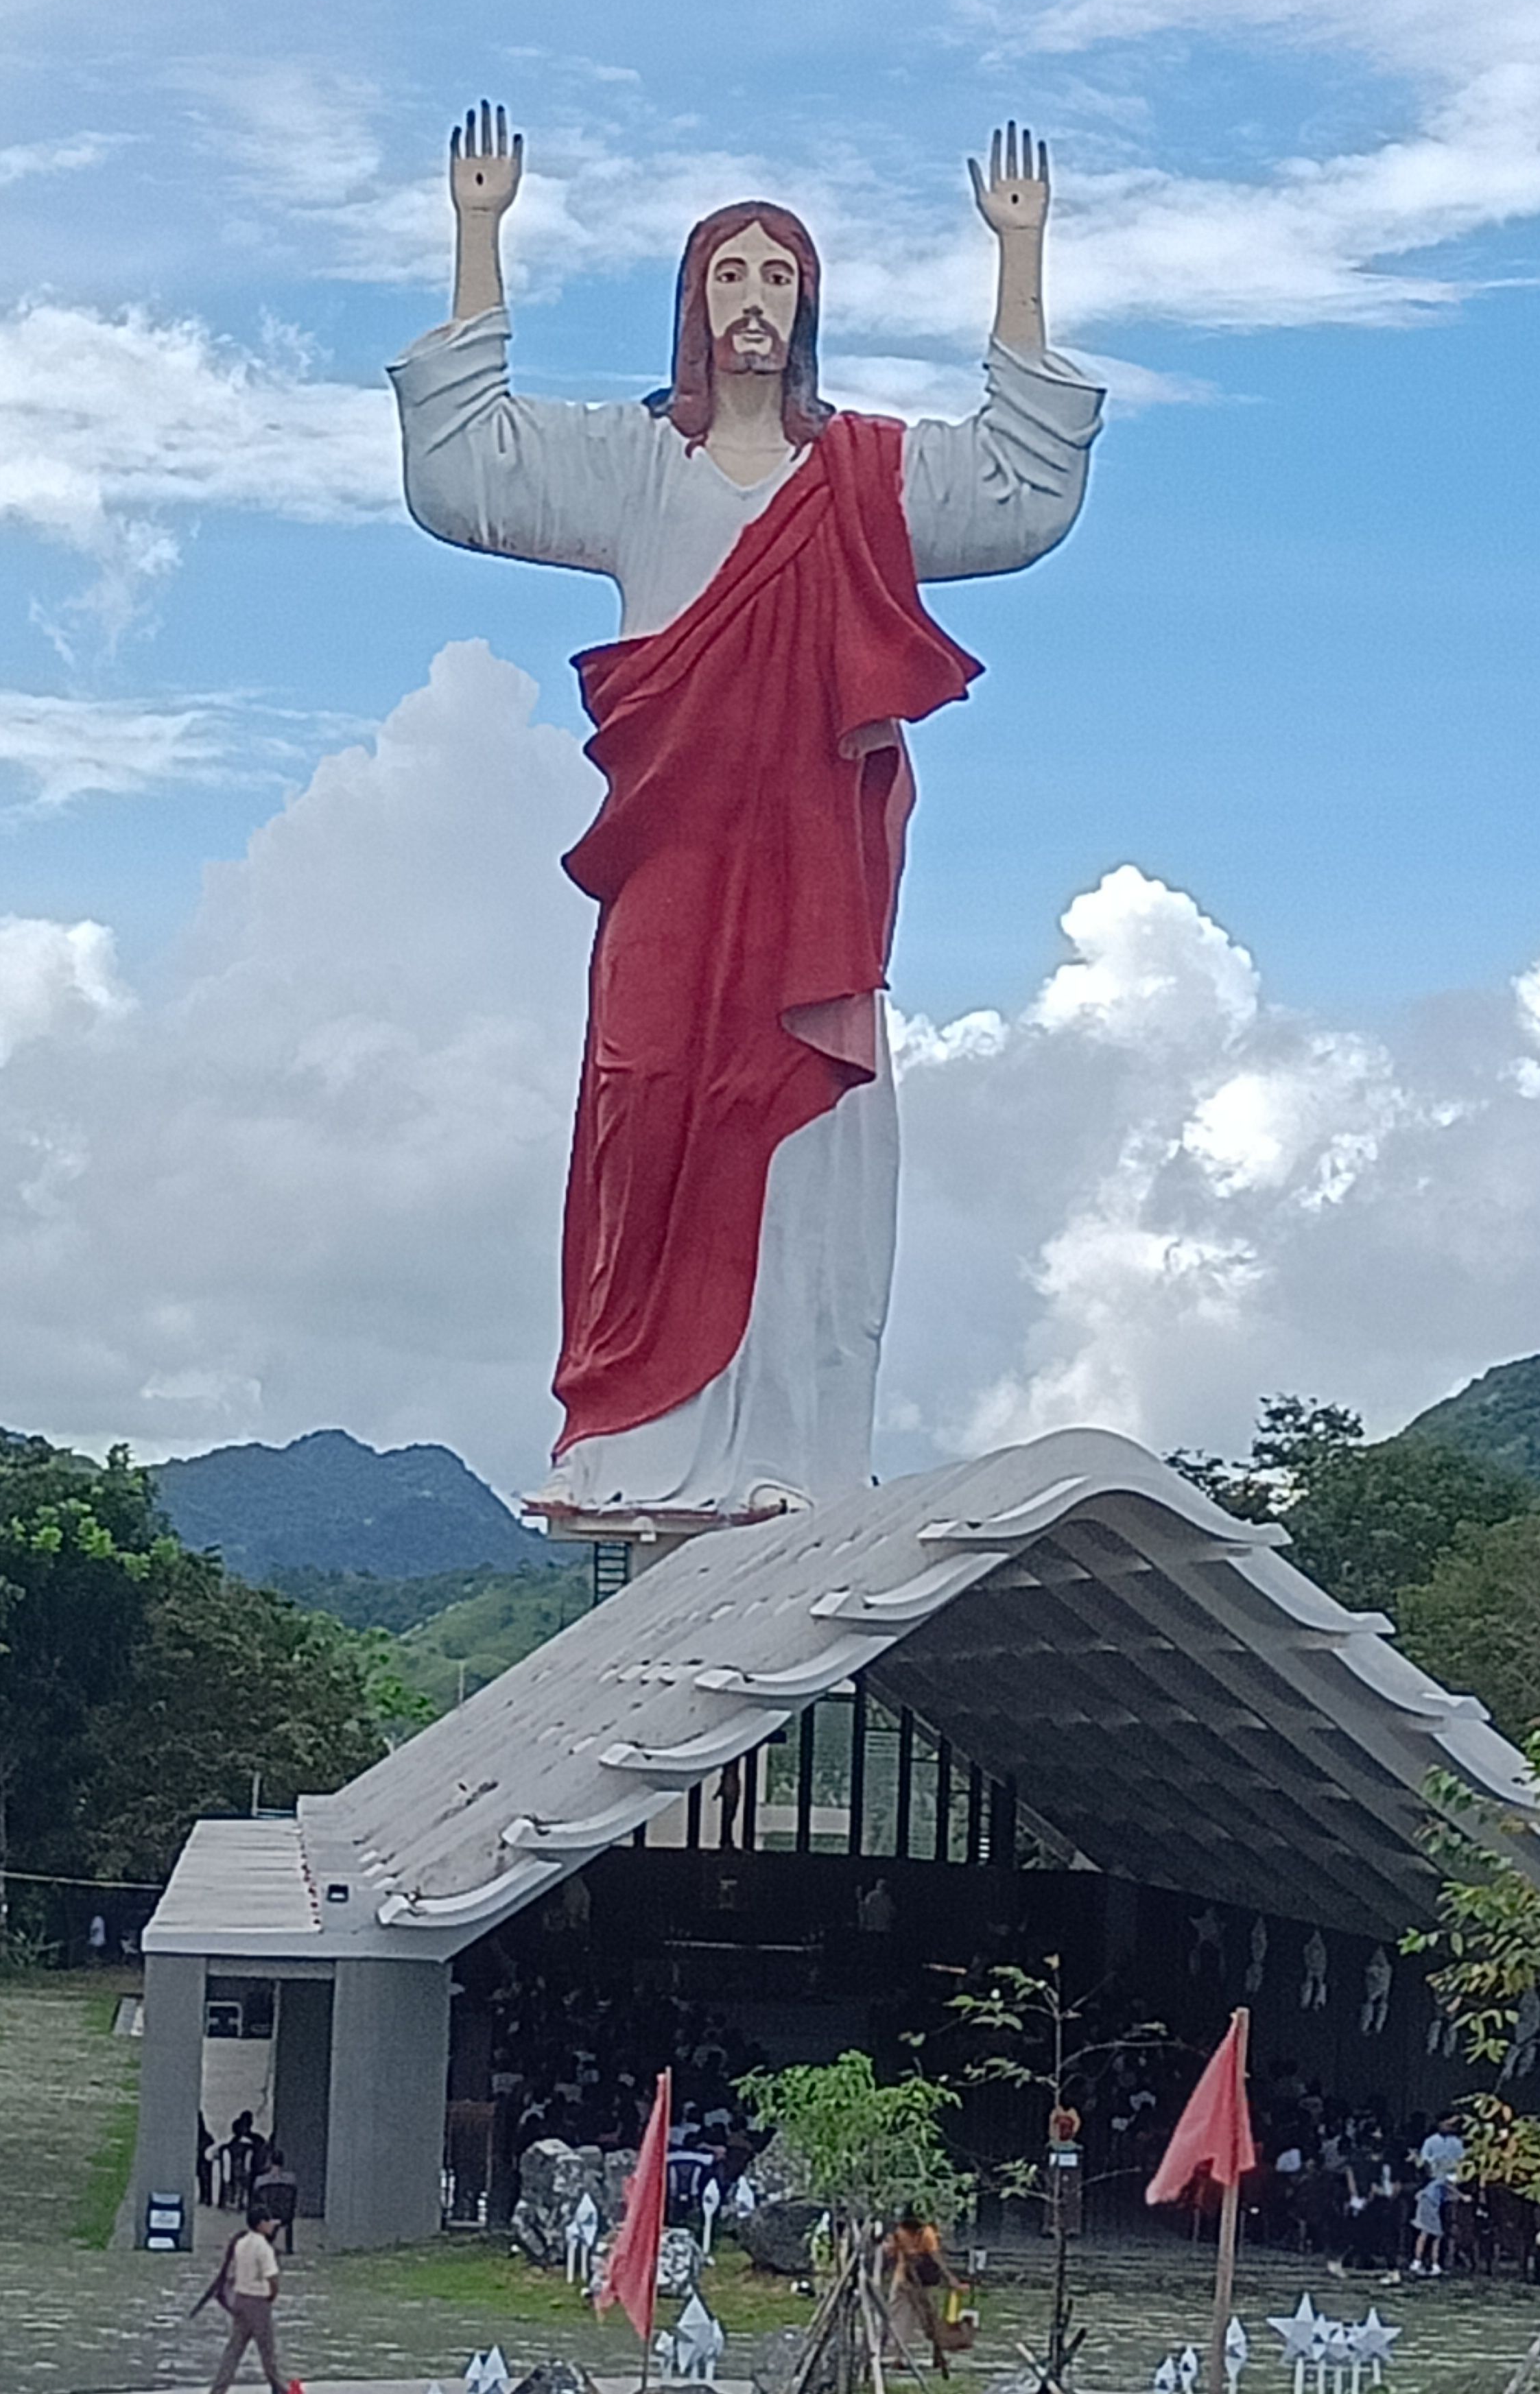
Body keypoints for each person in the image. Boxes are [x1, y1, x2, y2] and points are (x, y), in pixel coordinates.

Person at [390, 106, 1102, 1525]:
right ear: (692, 304)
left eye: (780, 276)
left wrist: (1019, 262)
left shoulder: (868, 482)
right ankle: (634, 1436)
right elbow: (466, 469)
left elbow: (1020, 489)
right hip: (672, 862)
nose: (755, 301)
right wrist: (479, 234)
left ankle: (793, 1448)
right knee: (645, 1102)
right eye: (731, 275)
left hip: (810, 884)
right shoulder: (635, 466)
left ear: (809, 307)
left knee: (804, 1141)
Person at [205, 2202, 298, 2393]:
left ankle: (218, 2390)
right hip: (258, 2302)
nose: (272, 2225)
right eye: (269, 2221)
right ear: (261, 2224)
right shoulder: (263, 2247)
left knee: (234, 2350)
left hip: (240, 2300)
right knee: (268, 2351)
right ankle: (280, 2389)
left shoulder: (241, 2243)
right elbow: (272, 2277)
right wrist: (273, 2294)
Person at [881, 2207, 972, 2377]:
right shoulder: (909, 2233)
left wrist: (951, 2280)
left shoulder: (918, 2233)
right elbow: (935, 2259)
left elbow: (935, 2259)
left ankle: (932, 2355)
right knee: (906, 2320)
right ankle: (902, 2356)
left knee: (924, 2321)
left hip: (916, 2282)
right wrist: (951, 2280)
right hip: (908, 2281)